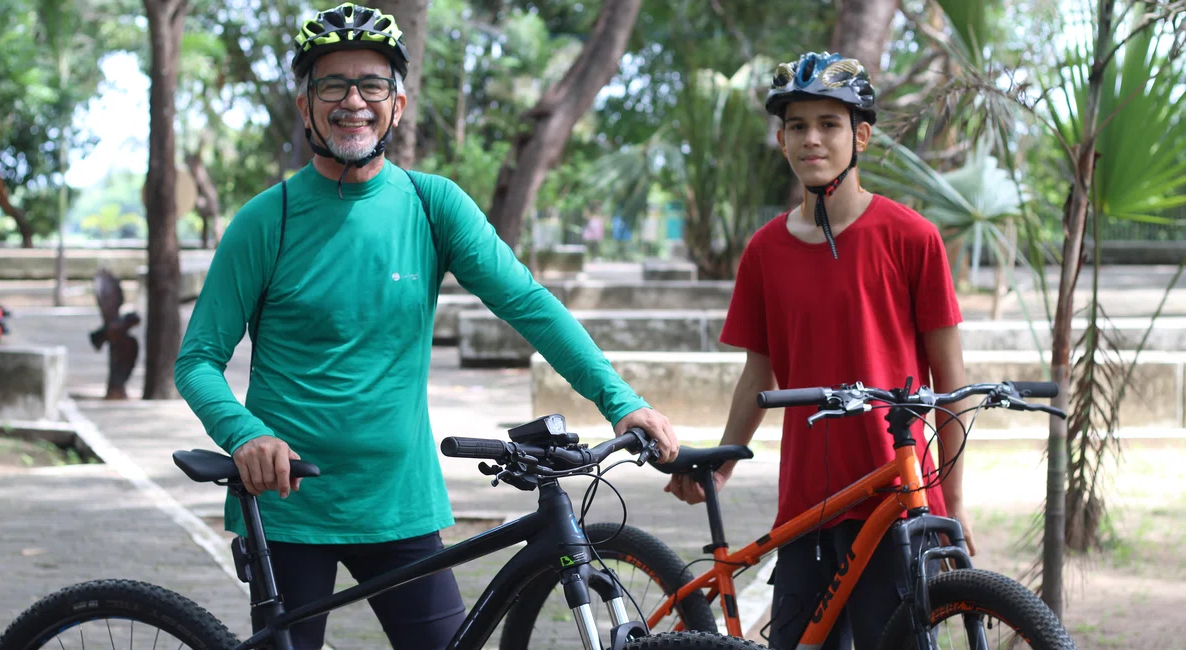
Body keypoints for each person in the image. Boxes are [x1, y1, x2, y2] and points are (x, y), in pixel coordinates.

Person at [174, 4, 680, 649]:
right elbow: (197, 359)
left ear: (398, 103)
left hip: (400, 504)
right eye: (332, 84)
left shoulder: (431, 203)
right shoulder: (263, 221)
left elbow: (527, 303)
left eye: (372, 85)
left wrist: (622, 401)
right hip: (288, 509)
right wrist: (245, 434)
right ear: (305, 104)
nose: (352, 101)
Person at [663, 51, 973, 650]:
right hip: (807, 504)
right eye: (797, 126)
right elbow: (760, 368)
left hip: (897, 501)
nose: (812, 139)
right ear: (782, 140)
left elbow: (950, 380)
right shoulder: (764, 251)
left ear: (860, 136)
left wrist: (953, 504)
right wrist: (724, 462)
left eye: (829, 124)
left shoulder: (913, 237)